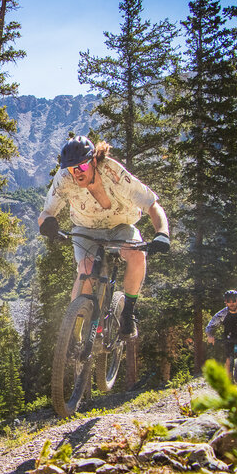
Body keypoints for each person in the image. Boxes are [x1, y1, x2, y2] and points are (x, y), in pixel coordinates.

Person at [37, 136, 170, 339]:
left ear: (94, 161)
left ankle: (128, 312)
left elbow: (151, 204)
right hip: (86, 228)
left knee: (137, 256)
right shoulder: (64, 178)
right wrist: (48, 225)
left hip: (121, 225)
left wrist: (162, 233)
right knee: (86, 269)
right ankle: (75, 332)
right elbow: (45, 213)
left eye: (81, 167)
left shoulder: (113, 172)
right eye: (72, 169)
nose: (76, 173)